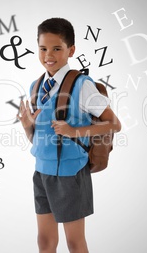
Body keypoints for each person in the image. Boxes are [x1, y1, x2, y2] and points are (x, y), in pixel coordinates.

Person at [17, 18, 121, 253]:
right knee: (44, 241)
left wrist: (75, 131)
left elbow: (114, 124)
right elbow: (37, 140)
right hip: (42, 172)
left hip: (71, 173)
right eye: (43, 48)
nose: (48, 55)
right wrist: (26, 126)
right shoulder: (36, 86)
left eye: (56, 48)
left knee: (74, 243)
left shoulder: (82, 85)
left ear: (71, 50)